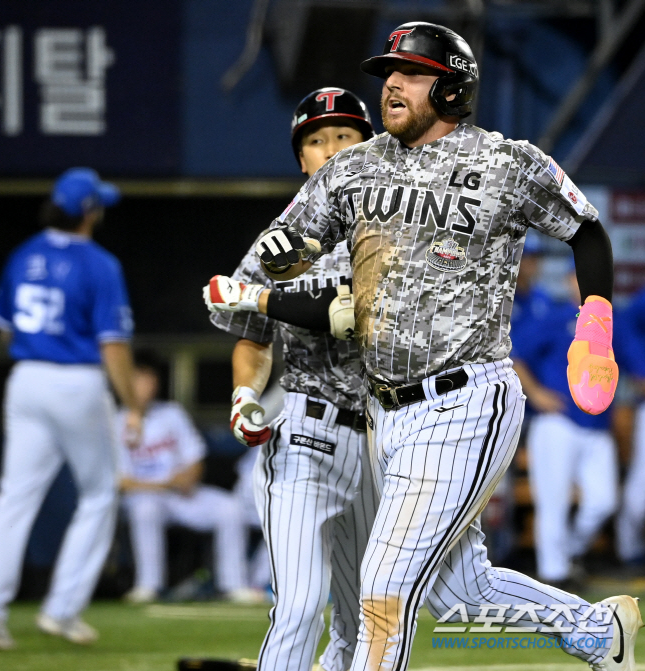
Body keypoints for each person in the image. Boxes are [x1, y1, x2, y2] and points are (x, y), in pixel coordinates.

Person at [251, 22, 639, 671]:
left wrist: (594, 327)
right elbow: (289, 243)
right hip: (386, 414)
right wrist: (281, 258)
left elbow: (589, 234)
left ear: (453, 86)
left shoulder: (506, 161)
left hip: (465, 400)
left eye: (410, 73)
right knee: (463, 591)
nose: (392, 85)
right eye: (387, 74)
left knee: (384, 588)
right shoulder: (356, 165)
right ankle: (600, 630)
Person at [206, 88, 379, 671]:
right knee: (302, 608)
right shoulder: (276, 244)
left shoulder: (399, 229)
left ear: (370, 146)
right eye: (315, 139)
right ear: (300, 158)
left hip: (386, 442)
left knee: (368, 622)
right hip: (307, 435)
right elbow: (252, 339)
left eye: (344, 136)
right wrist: (245, 396)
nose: (330, 150)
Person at [0, 168, 142, 649]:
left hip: (25, 379)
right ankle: (62, 610)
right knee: (100, 493)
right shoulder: (99, 264)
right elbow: (113, 346)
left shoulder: (24, 255)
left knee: (14, 495)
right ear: (88, 212)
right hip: (76, 380)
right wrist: (133, 405)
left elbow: (4, 328)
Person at [118, 351, 253, 604]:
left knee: (230, 508)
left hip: (181, 495)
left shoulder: (171, 413)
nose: (146, 386)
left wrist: (189, 476)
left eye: (150, 379)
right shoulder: (114, 420)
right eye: (139, 379)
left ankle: (234, 585)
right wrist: (165, 483)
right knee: (145, 509)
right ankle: (148, 586)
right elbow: (120, 482)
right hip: (142, 498)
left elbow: (195, 457)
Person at [512, 269, 618, 588]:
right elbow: (515, 355)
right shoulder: (558, 316)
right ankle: (554, 575)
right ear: (568, 281)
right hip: (557, 421)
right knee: (552, 501)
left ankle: (568, 553)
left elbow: (632, 360)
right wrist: (536, 392)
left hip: (598, 425)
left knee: (603, 501)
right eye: (575, 278)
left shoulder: (613, 322)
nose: (581, 282)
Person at [616, 285, 645, 565]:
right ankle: (628, 551)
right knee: (640, 492)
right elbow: (623, 330)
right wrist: (640, 369)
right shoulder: (640, 302)